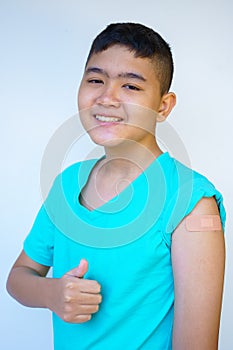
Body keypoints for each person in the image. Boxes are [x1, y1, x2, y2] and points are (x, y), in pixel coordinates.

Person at [6, 22, 226, 349]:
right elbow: (18, 277)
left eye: (131, 87)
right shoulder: (67, 185)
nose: (107, 97)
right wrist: (51, 293)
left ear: (163, 106)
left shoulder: (191, 203)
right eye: (96, 80)